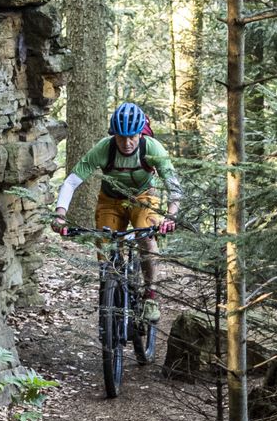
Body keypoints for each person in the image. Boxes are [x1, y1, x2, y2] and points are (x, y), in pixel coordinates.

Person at [53, 101, 182, 305]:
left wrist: (171, 215)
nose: (127, 142)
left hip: (143, 197)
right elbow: (71, 182)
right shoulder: (104, 148)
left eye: (132, 136)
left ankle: (150, 296)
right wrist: (60, 214)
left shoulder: (152, 148)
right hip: (110, 200)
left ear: (141, 134)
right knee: (105, 245)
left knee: (146, 236)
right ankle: (110, 293)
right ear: (114, 134)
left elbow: (173, 184)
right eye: (121, 137)